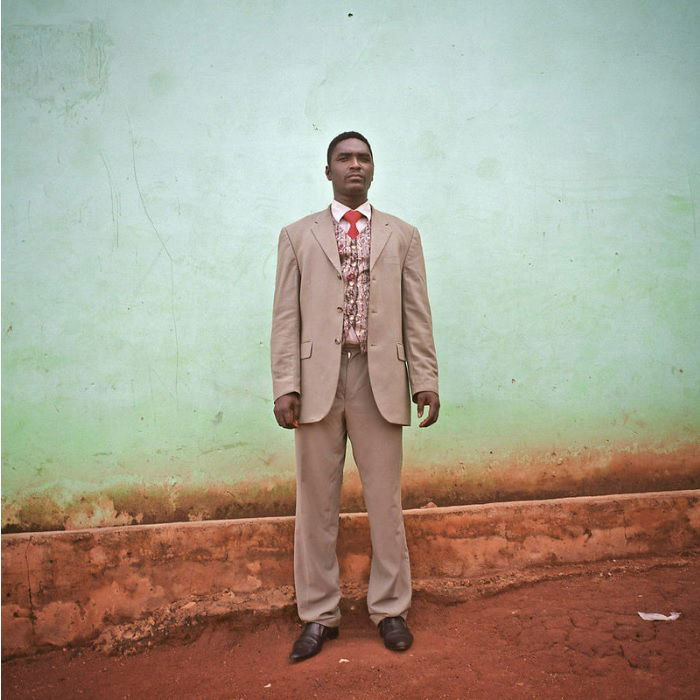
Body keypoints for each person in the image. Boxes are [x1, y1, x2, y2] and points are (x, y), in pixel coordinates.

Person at [271, 131, 439, 662]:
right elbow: (284, 317)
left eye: (363, 158)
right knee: (315, 503)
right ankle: (319, 615)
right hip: (318, 381)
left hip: (379, 380)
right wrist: (285, 384)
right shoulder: (297, 236)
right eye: (344, 158)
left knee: (384, 502)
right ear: (328, 171)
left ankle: (390, 609)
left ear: (373, 169)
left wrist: (426, 379)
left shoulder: (402, 235)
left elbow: (418, 314)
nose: (355, 165)